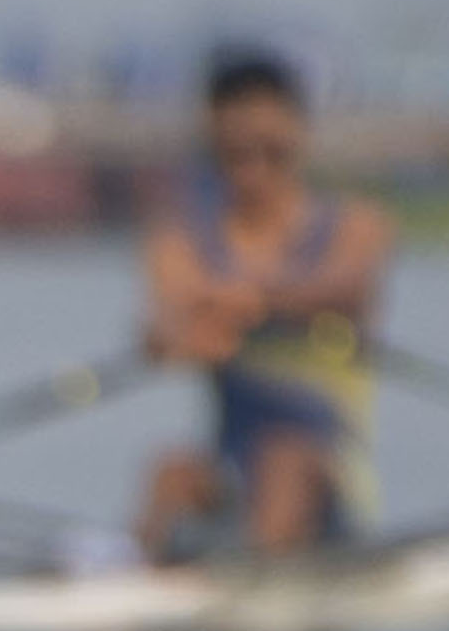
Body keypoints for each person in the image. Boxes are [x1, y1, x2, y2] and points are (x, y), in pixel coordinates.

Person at [133, 46, 394, 560]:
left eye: (270, 151)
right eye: (238, 153)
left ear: (298, 135)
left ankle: (263, 601)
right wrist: (178, 335)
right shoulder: (180, 241)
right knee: (172, 473)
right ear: (213, 141)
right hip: (229, 461)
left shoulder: (356, 225)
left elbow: (346, 289)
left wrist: (250, 301)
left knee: (283, 459)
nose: (254, 167)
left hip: (327, 464)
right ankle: (148, 604)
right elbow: (166, 325)